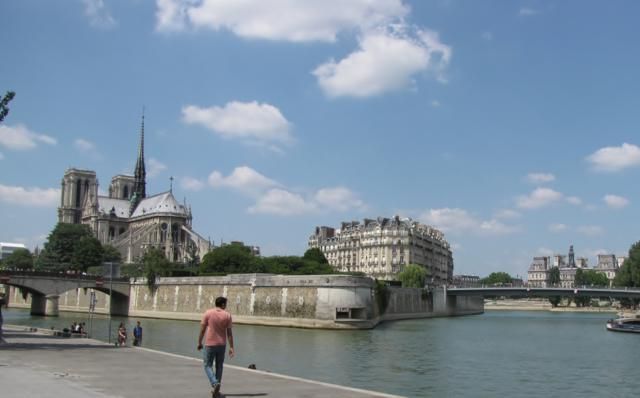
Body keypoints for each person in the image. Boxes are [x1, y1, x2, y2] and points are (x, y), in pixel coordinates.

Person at [197, 296, 235, 398]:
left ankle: (214, 383)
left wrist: (199, 342)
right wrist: (231, 347)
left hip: (210, 344)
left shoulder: (208, 313)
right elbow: (229, 333)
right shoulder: (227, 315)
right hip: (222, 345)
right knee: (219, 366)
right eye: (225, 304)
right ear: (222, 304)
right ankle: (216, 392)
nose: (226, 306)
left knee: (207, 365)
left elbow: (202, 330)